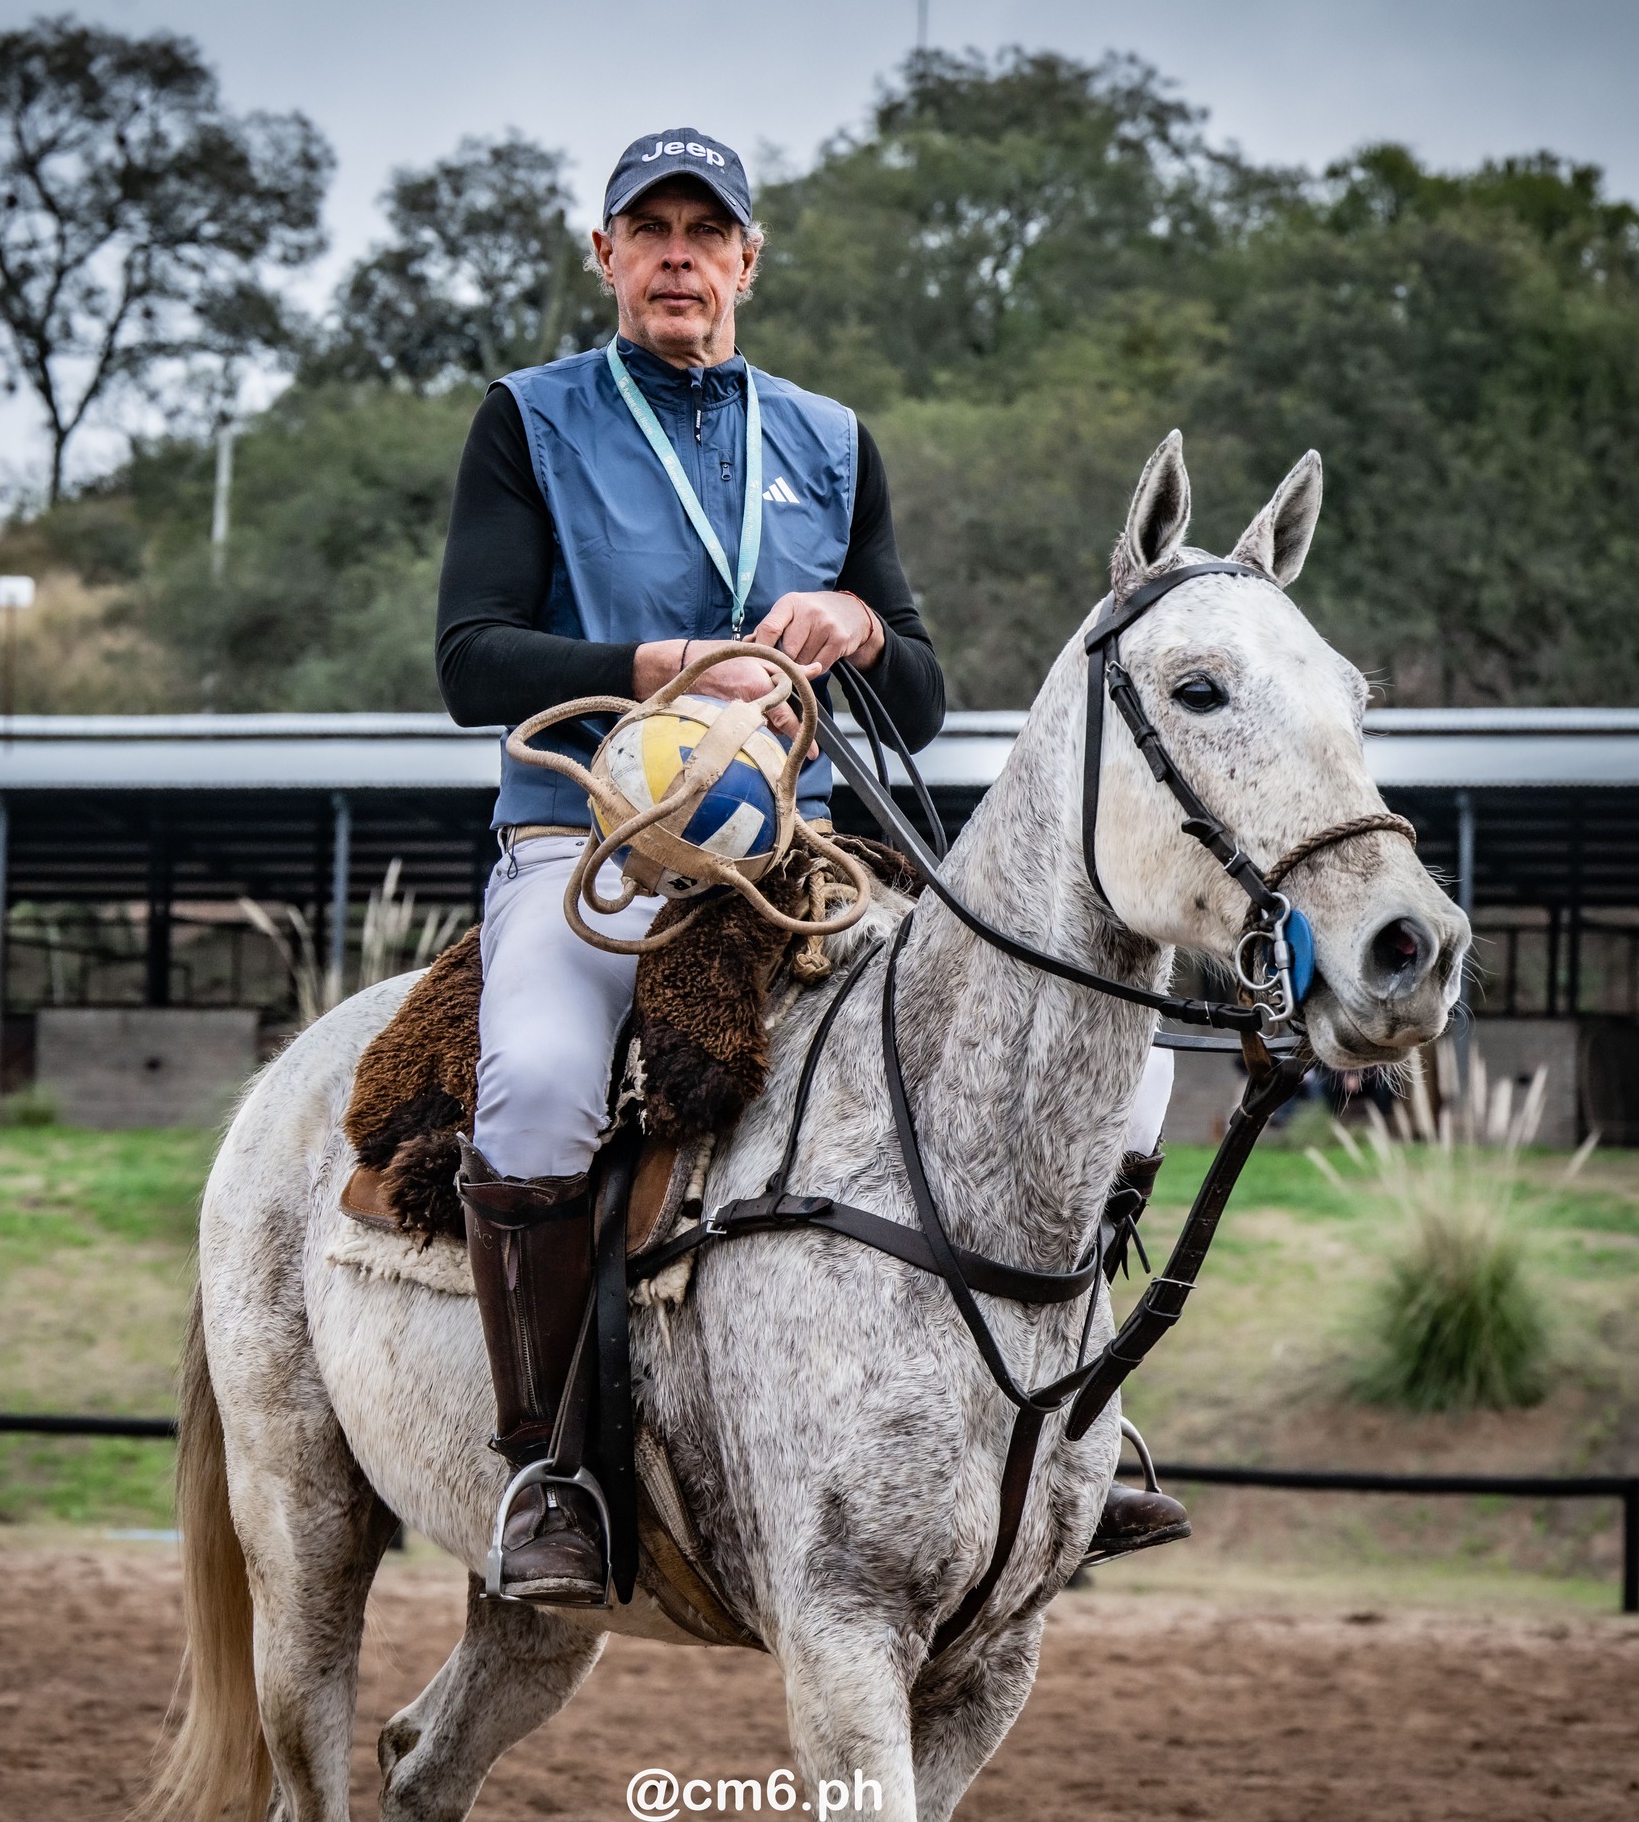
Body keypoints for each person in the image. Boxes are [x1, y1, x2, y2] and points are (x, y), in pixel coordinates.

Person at [435, 126, 1182, 1603]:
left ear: (748, 260)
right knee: (536, 1082)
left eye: (705, 234)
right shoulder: (527, 420)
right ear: (605, 256)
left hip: (805, 859)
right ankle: (551, 1473)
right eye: (649, 232)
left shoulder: (832, 440)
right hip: (591, 843)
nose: (678, 259)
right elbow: (470, 661)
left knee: (1125, 1066)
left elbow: (921, 697)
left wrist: (860, 627)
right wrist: (660, 663)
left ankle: (1074, 1426)